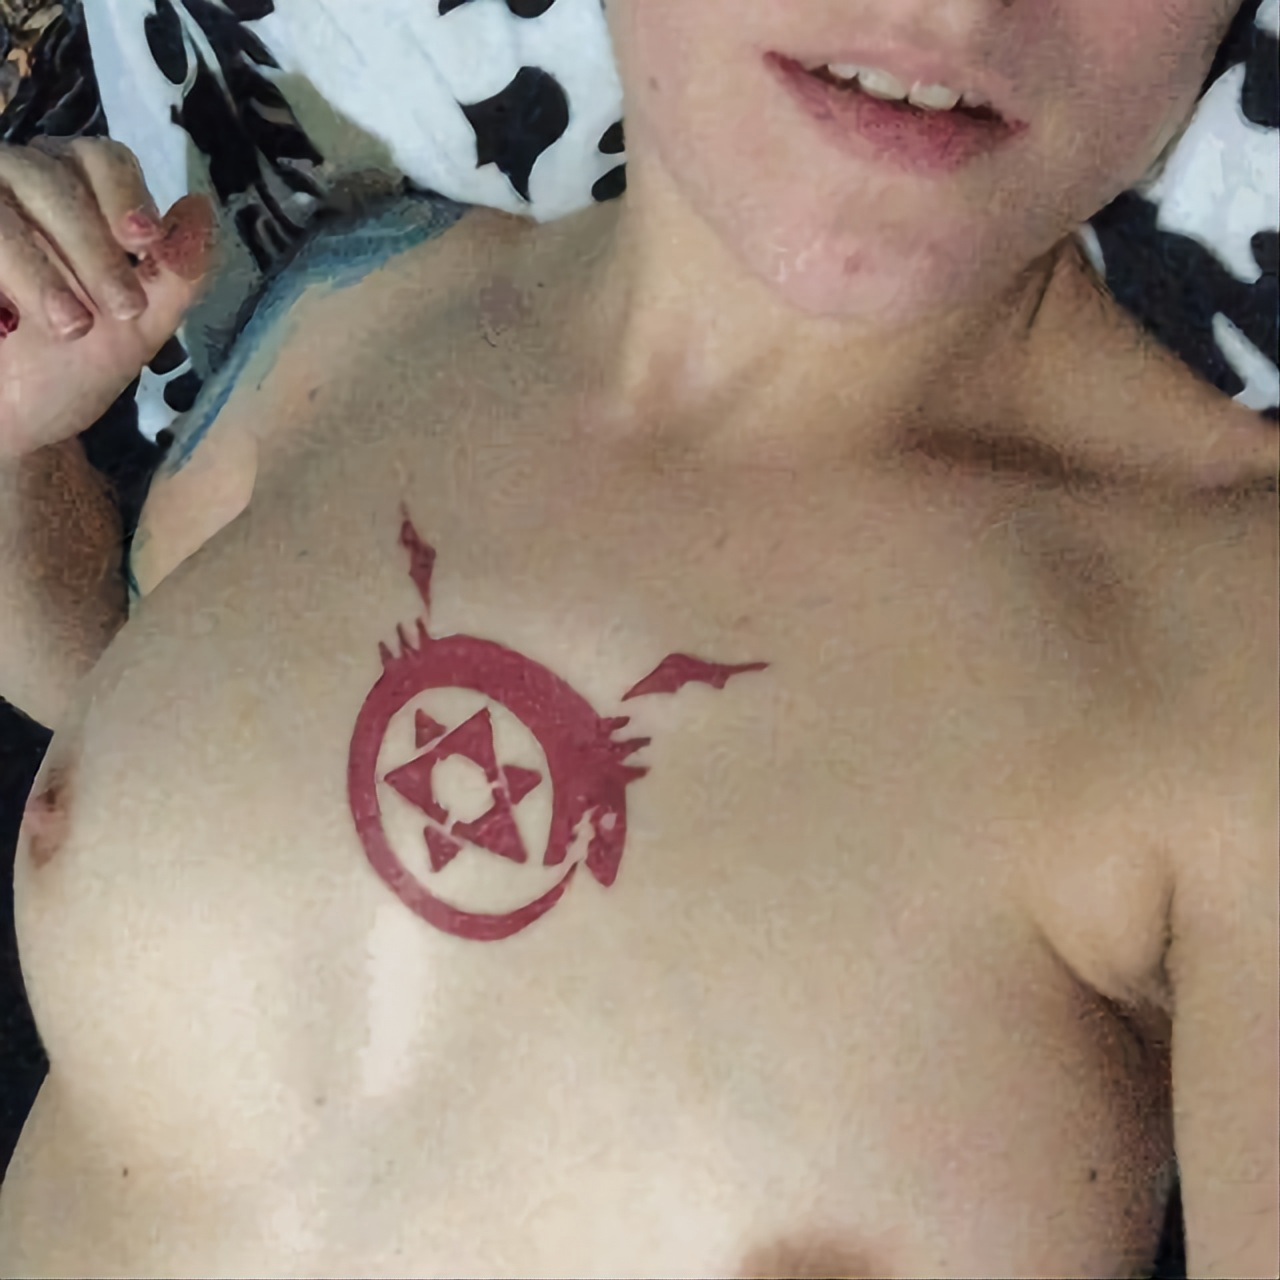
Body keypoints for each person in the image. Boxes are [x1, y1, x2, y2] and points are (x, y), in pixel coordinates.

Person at [0, 0, 1277, 1274]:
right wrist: (13, 446)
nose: (944, 11)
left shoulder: (1230, 644)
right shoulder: (354, 311)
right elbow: (117, 701)